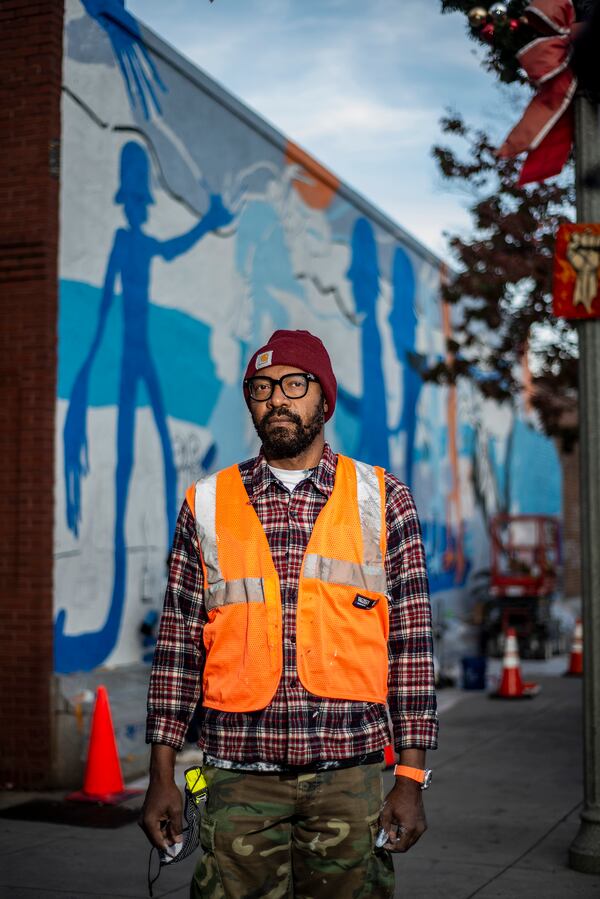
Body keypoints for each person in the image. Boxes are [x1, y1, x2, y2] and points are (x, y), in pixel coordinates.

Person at [140, 329, 438, 898]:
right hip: (235, 775)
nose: (277, 398)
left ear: (323, 399)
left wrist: (410, 777)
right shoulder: (206, 502)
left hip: (349, 775)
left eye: (294, 384)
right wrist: (162, 776)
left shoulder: (382, 499)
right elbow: (178, 647)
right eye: (261, 388)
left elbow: (412, 650)